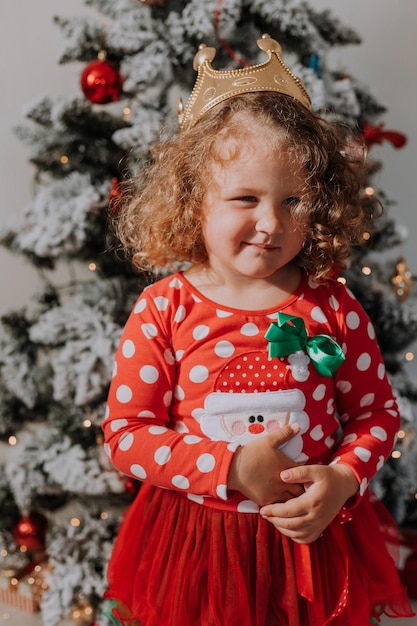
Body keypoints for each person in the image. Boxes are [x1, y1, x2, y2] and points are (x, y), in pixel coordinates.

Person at [102, 34, 414, 626]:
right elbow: (127, 434)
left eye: (293, 201)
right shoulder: (163, 307)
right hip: (200, 546)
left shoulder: (333, 306)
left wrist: (344, 479)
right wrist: (229, 469)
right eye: (246, 198)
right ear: (194, 202)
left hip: (309, 541)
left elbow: (376, 414)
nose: (271, 223)